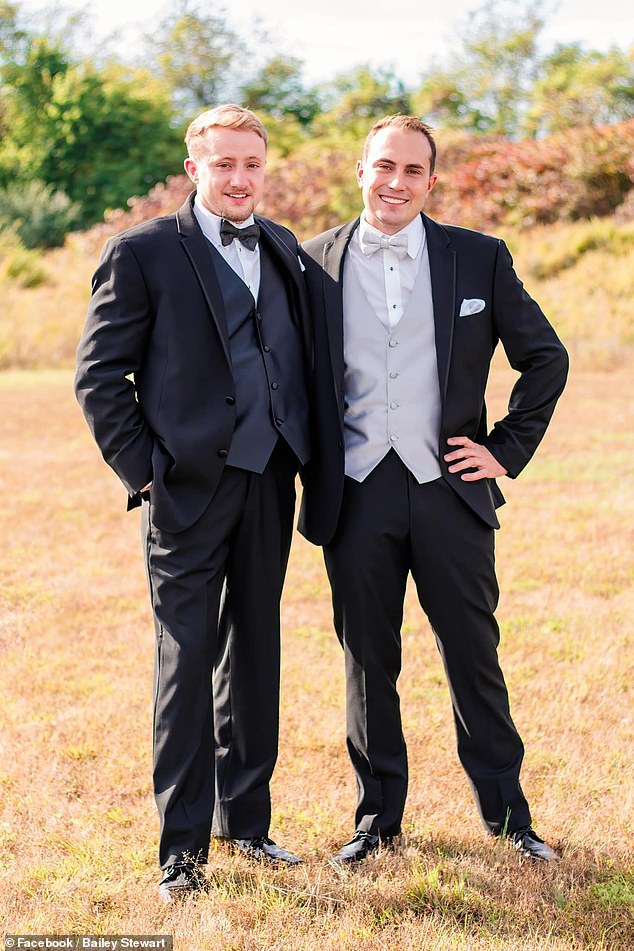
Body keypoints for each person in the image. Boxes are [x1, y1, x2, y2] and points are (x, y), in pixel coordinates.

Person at [299, 115, 568, 865]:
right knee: (367, 660)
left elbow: (546, 357)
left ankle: (510, 816)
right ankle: (376, 821)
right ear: (361, 170)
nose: (396, 182)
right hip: (354, 492)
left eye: (413, 171)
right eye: (385, 166)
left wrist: (505, 450)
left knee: (474, 652)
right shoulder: (311, 260)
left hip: (449, 488)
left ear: (431, 181)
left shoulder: (477, 259)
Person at [75, 104, 311, 901]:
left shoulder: (284, 248)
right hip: (184, 489)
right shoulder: (140, 253)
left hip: (270, 481)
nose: (239, 178)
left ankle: (246, 820)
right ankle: (182, 849)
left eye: (252, 164)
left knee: (256, 656)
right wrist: (147, 473)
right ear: (194, 168)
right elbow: (100, 378)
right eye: (223, 165)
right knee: (186, 660)